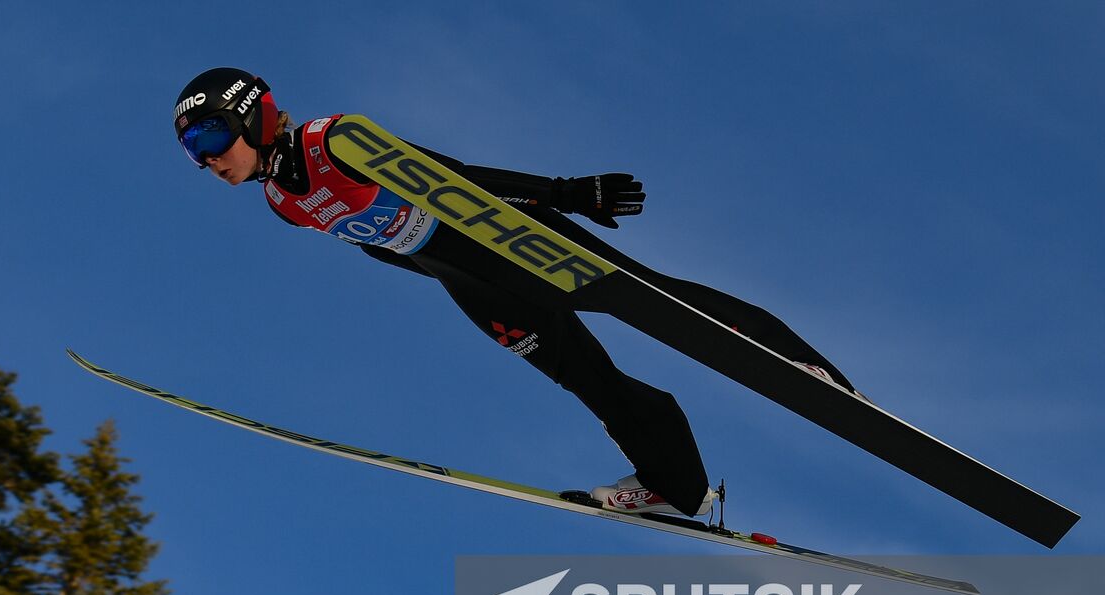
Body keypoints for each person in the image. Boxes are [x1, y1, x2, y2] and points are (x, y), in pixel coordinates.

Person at [172, 68, 861, 516]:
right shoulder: (283, 205)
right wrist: (451, 281)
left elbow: (454, 176)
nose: (206, 158)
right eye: (192, 150)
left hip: (503, 237)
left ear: (252, 116)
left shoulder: (335, 141)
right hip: (463, 278)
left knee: (655, 300)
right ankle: (674, 484)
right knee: (584, 375)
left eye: (209, 135)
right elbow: (379, 248)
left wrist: (565, 194)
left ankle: (802, 365)